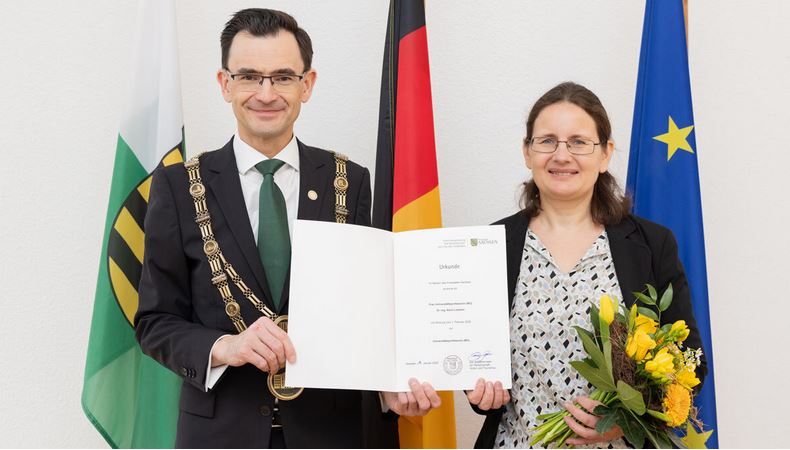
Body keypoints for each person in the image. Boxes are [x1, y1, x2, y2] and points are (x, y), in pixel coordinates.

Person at [135, 8, 438, 448]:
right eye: (248, 76)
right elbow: (154, 322)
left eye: (282, 76)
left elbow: (366, 313)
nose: (266, 92)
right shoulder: (180, 186)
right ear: (225, 84)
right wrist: (225, 346)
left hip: (332, 433)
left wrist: (392, 390)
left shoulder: (349, 182)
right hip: (219, 434)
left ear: (306, 84)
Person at [467, 82, 707, 448]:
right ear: (527, 152)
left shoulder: (652, 244)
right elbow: (476, 360)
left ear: (605, 154)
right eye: (547, 141)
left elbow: (691, 366)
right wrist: (478, 389)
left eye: (579, 142)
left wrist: (624, 418)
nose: (561, 155)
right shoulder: (491, 244)